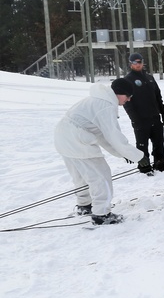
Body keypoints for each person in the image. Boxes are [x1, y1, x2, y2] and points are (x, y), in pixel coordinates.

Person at [54, 78, 145, 225]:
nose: (128, 100)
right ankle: (101, 214)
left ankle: (84, 205)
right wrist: (137, 156)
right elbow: (113, 135)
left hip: (64, 137)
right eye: (128, 96)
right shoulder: (106, 105)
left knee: (81, 176)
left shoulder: (97, 100)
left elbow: (102, 135)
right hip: (77, 139)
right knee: (101, 176)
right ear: (119, 93)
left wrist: (123, 153)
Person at [122, 52, 164, 173]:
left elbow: (158, 97)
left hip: (155, 116)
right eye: (135, 62)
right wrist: (134, 118)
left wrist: (163, 113)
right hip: (140, 119)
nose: (138, 64)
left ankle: (160, 163)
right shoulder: (128, 80)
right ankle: (144, 166)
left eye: (140, 61)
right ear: (130, 64)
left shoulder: (149, 77)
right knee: (142, 145)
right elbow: (127, 103)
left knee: (159, 142)